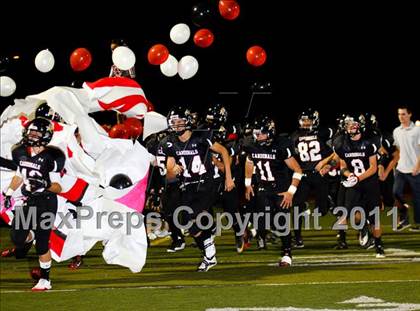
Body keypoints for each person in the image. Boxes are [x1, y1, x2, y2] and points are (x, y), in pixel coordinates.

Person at [163, 106, 235, 272]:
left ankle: (209, 252)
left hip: (207, 183)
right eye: (173, 122)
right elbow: (169, 172)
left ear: (187, 121)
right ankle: (209, 253)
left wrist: (229, 177)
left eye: (180, 121)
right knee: (186, 222)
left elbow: (223, 151)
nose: (177, 125)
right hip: (188, 185)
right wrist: (172, 170)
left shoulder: (201, 137)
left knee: (194, 215)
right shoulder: (170, 143)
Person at [3, 117, 65, 291]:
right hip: (30, 201)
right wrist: (8, 192)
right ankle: (31, 233)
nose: (31, 134)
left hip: (47, 201)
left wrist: (44, 184)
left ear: (45, 135)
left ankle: (45, 281)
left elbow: (59, 187)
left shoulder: (52, 157)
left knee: (43, 242)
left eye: (36, 132)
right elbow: (19, 175)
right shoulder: (21, 152)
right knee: (17, 238)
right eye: (31, 131)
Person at [244, 115, 303, 266]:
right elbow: (249, 161)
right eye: (256, 133)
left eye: (261, 132)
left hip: (281, 189)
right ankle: (255, 232)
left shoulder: (281, 145)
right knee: (263, 219)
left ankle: (287, 253)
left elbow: (297, 170)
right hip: (263, 187)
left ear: (270, 132)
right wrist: (248, 183)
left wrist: (290, 191)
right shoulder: (251, 145)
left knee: (282, 222)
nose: (258, 136)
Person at [333, 114, 385, 258]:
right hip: (354, 183)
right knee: (352, 215)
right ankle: (364, 229)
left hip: (369, 183)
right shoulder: (342, 143)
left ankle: (379, 245)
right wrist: (349, 175)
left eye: (353, 124)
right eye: (348, 124)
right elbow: (343, 166)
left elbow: (373, 167)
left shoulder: (369, 142)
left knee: (375, 217)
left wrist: (358, 178)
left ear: (360, 125)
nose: (350, 126)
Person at [290, 108, 334, 248]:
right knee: (296, 207)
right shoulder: (295, 136)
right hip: (303, 175)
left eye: (309, 120)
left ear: (315, 120)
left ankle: (328, 201)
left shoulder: (324, 132)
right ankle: (297, 237)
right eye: (304, 120)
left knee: (322, 211)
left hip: (319, 174)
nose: (306, 123)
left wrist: (324, 162)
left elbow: (337, 150)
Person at [393, 105, 420, 231]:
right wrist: (396, 165)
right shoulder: (396, 131)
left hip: (415, 169)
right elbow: (398, 149)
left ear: (410, 114)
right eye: (399, 114)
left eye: (403, 114)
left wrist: (417, 166)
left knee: (417, 197)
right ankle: (404, 220)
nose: (401, 117)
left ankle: (418, 223)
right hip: (401, 169)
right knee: (396, 192)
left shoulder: (417, 130)